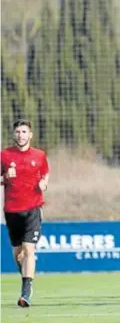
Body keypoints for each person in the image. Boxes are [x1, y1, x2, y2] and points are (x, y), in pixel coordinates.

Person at [2, 119, 49, 308]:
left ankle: (26, 291)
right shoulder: (4, 155)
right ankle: (25, 275)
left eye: (24, 132)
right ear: (14, 134)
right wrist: (5, 177)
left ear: (30, 135)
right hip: (12, 211)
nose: (20, 135)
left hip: (33, 209)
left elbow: (45, 173)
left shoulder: (39, 155)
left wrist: (44, 183)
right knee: (18, 253)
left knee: (29, 250)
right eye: (18, 132)